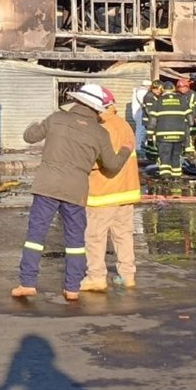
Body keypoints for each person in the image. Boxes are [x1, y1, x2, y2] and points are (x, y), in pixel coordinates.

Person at [12, 83, 133, 302]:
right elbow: (112, 166)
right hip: (76, 192)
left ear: (76, 101)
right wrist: (125, 149)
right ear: (97, 109)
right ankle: (72, 288)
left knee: (35, 237)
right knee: (75, 241)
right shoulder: (100, 132)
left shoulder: (56, 118)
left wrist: (34, 124)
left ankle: (27, 283)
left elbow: (30, 137)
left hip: (46, 187)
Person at [80, 87, 142, 292]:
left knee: (95, 237)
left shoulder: (101, 129)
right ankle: (128, 276)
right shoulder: (123, 125)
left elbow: (95, 162)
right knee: (123, 236)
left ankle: (96, 277)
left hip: (103, 193)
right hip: (126, 192)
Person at [148, 82, 191, 181]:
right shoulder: (181, 100)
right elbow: (190, 119)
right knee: (176, 156)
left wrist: (150, 135)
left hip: (163, 135)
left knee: (164, 156)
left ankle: (166, 177)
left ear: (162, 90)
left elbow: (152, 121)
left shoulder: (158, 101)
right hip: (179, 134)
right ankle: (176, 177)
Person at [176, 77, 196, 156]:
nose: (181, 89)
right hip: (180, 119)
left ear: (187, 87)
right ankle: (183, 150)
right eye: (179, 87)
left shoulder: (194, 95)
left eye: (183, 87)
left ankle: (190, 151)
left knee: (190, 134)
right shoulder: (177, 95)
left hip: (191, 119)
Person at [140, 79, 163, 161]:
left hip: (153, 121)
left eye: (159, 89)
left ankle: (152, 155)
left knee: (152, 139)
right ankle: (151, 157)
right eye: (156, 89)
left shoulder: (155, 96)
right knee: (152, 140)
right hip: (150, 122)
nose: (158, 91)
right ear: (152, 88)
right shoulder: (149, 96)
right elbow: (149, 111)